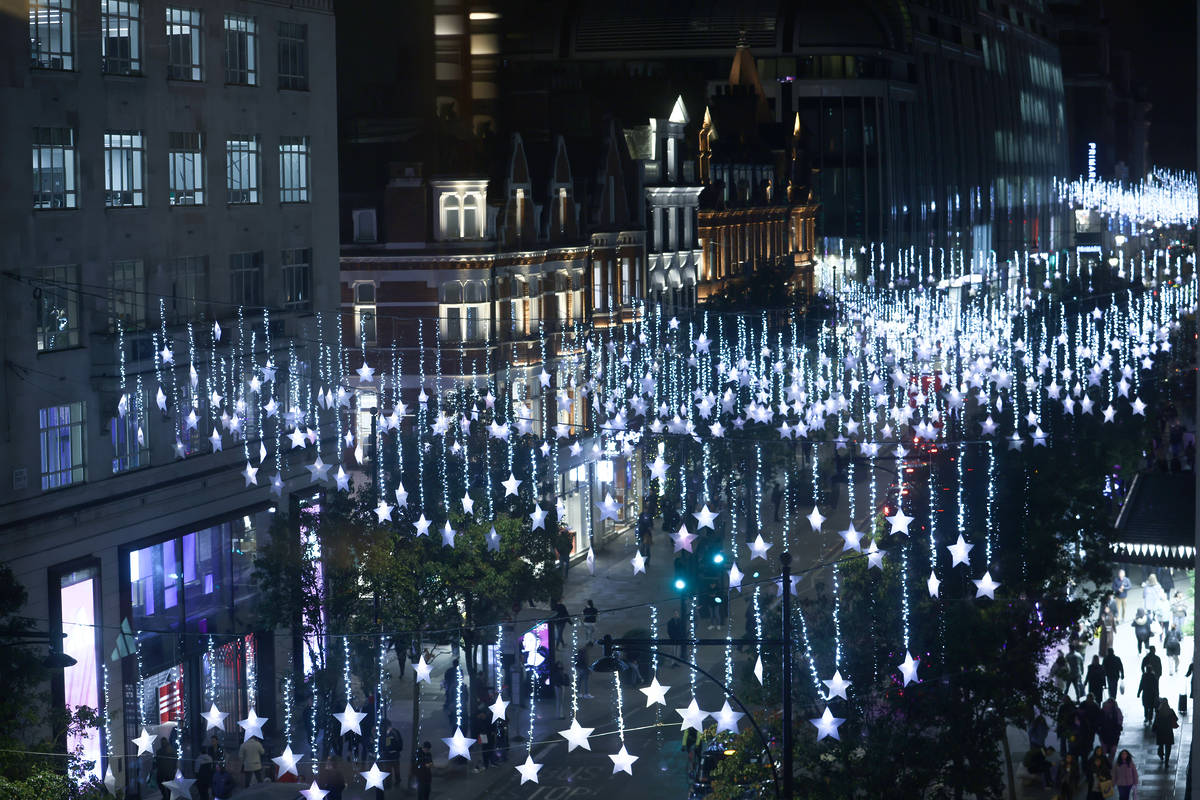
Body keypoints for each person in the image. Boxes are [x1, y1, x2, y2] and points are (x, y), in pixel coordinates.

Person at [1153, 697, 1179, 762]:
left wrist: (1154, 729)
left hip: (1160, 732)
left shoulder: (1158, 711)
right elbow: (1176, 719)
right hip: (1168, 732)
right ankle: (1167, 760)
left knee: (1161, 745)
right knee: (1168, 747)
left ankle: (1161, 755)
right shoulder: (1171, 711)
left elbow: (1156, 722)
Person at [381, 721, 404, 788]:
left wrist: (394, 750)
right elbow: (385, 744)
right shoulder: (385, 733)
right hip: (389, 756)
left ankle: (396, 783)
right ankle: (390, 784)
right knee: (389, 770)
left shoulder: (394, 732)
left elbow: (399, 743)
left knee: (395, 770)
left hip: (394, 755)